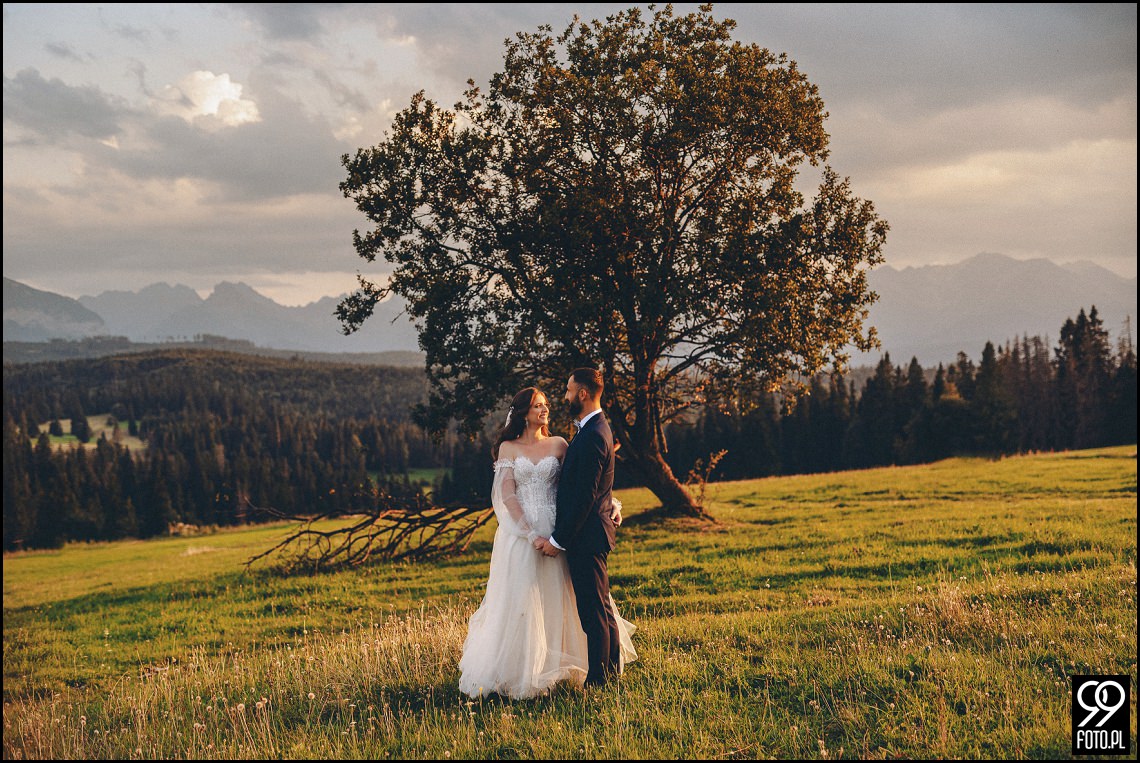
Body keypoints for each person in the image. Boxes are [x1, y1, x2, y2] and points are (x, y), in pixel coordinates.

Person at [458, 385, 636, 699]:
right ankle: (523, 671)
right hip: (524, 534)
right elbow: (507, 494)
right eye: (538, 406)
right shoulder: (508, 448)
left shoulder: (559, 444)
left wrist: (613, 506)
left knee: (566, 595)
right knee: (524, 602)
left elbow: (586, 482)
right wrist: (529, 533)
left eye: (546, 405)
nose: (545, 410)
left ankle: (574, 665)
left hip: (561, 530)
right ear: (524, 413)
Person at [534, 368, 626, 688]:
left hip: (586, 537)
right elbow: (596, 486)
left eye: (569, 390)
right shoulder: (593, 429)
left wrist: (558, 541)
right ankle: (610, 674)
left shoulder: (593, 434)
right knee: (599, 607)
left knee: (593, 612)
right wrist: (612, 503)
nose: (566, 396)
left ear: (583, 394)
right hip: (591, 534)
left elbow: (584, 496)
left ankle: (599, 681)